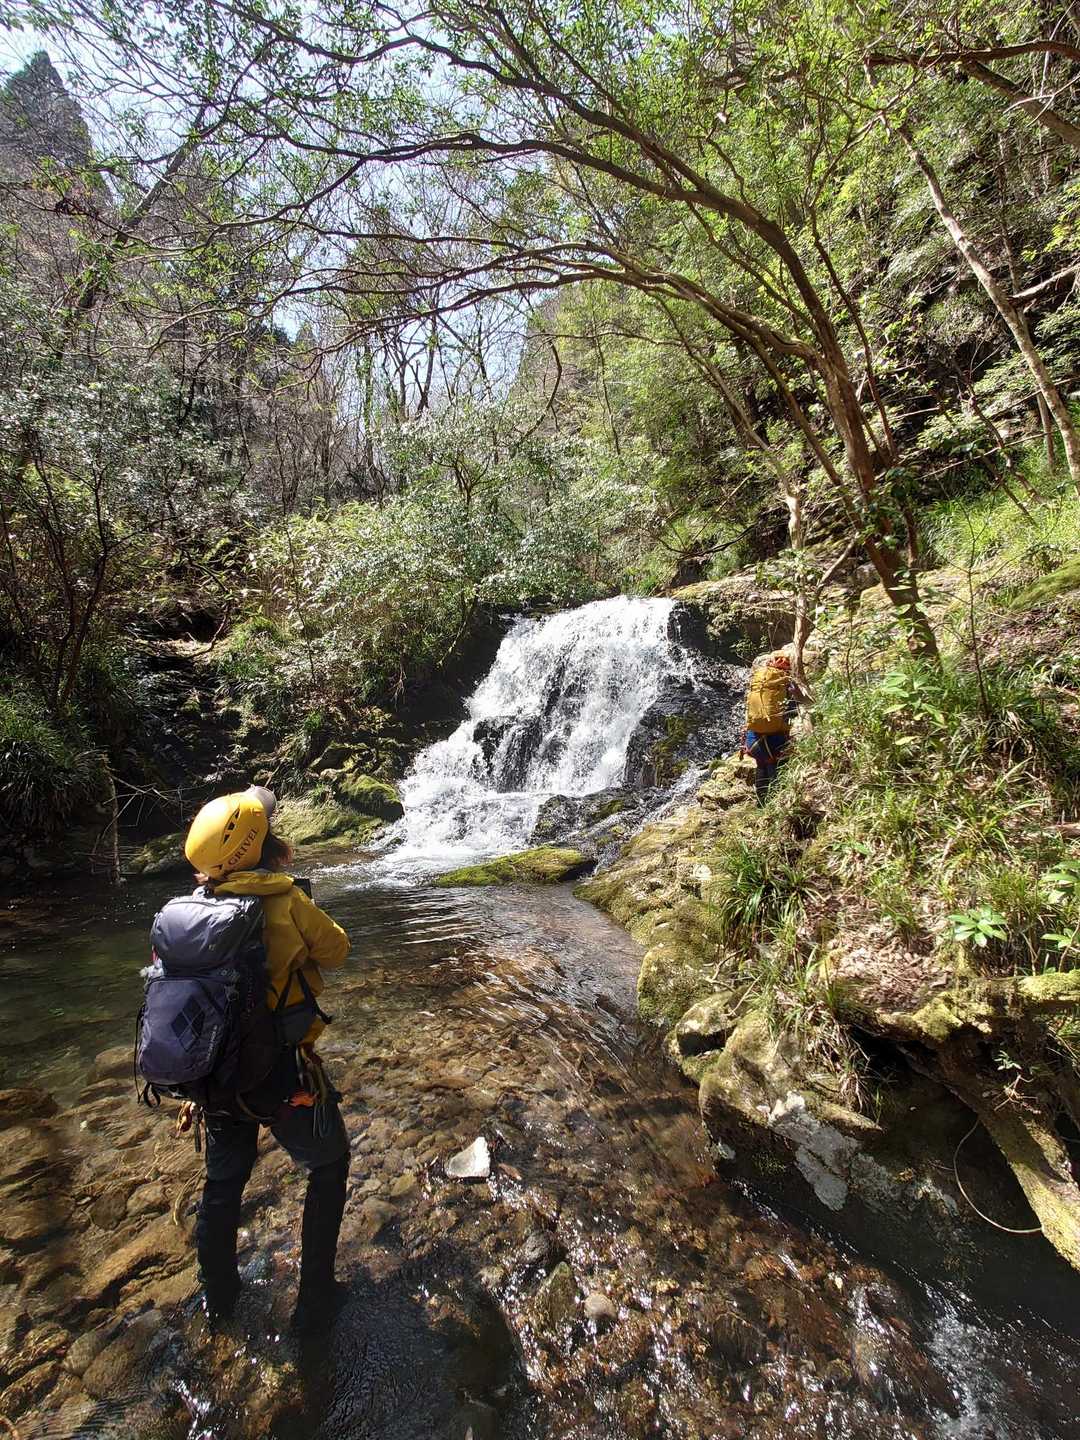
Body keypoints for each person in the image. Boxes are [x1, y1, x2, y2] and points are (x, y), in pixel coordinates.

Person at [181, 785, 351, 1334]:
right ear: (260, 845)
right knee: (328, 1163)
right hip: (280, 1073)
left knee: (223, 1182)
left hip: (213, 1075)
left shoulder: (188, 911)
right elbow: (337, 950)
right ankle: (315, 1300)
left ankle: (218, 1299)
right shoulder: (286, 901)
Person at [743, 651, 796, 803]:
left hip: (753, 738)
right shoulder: (786, 682)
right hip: (776, 739)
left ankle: (761, 804)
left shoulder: (758, 681)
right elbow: (794, 709)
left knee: (761, 766)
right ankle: (776, 806)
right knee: (776, 771)